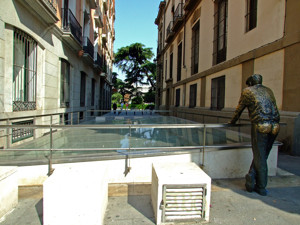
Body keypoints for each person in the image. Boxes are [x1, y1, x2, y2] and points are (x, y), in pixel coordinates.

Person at [229, 74, 280, 196]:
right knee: (262, 155)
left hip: (261, 125)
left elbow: (239, 109)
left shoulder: (247, 91)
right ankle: (252, 175)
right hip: (275, 125)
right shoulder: (268, 90)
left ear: (251, 83)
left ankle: (261, 187)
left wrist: (232, 122)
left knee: (260, 156)